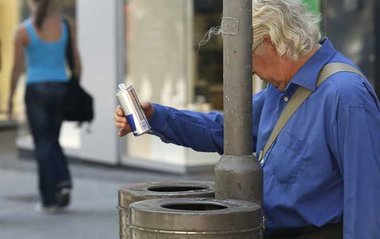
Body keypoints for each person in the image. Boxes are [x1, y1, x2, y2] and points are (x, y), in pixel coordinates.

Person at [115, 0, 380, 238]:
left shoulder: (345, 95)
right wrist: (155, 117)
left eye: (246, 57)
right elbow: (224, 130)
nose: (249, 70)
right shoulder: (282, 89)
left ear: (271, 42)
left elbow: (367, 200)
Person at [7, 0, 81, 213]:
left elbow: (16, 69)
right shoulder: (66, 26)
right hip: (61, 87)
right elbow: (75, 61)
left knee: (42, 142)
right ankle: (63, 182)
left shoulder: (22, 31)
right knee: (52, 139)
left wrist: (10, 99)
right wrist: (75, 90)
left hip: (36, 89)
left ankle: (49, 198)